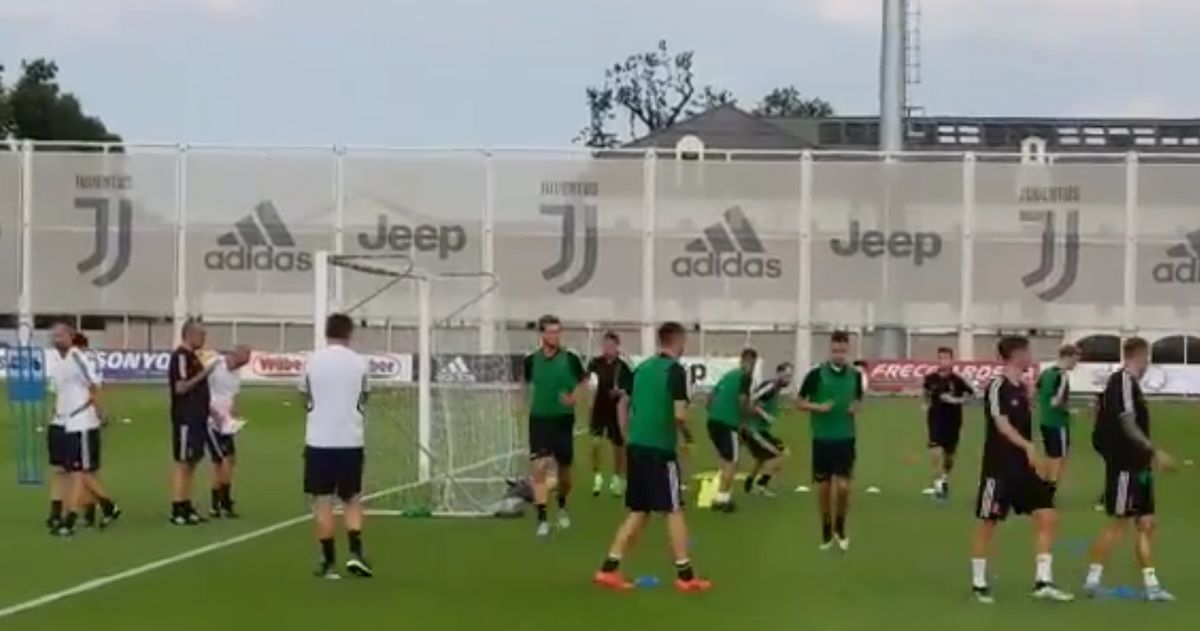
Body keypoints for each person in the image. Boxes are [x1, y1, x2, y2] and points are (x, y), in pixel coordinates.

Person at [593, 321, 711, 593]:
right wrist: (687, 434)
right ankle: (685, 575)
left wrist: (626, 432)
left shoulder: (642, 369)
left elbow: (623, 402)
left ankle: (608, 569)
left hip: (636, 446)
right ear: (678, 342)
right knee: (673, 509)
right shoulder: (675, 371)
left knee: (639, 511)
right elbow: (679, 415)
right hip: (659, 449)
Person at [969, 336, 1073, 604]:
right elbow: (1001, 424)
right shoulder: (997, 386)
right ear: (1016, 355)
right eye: (1028, 352)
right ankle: (979, 584)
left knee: (1047, 515)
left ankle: (1043, 581)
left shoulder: (1023, 388)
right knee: (988, 524)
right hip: (999, 468)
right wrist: (1026, 445)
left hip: (1024, 468)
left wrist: (1032, 453)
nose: (1031, 357)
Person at [1083, 337, 1176, 601]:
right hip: (1125, 466)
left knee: (1147, 523)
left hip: (1139, 466)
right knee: (1119, 523)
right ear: (1140, 357)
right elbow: (1127, 421)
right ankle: (1092, 580)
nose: (1147, 365)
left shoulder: (1129, 385)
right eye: (1147, 359)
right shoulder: (1122, 381)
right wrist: (1153, 450)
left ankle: (1151, 586)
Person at [300, 314, 373, 580]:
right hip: (350, 440)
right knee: (351, 499)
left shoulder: (312, 361)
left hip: (319, 440)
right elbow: (365, 395)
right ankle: (355, 552)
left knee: (322, 501)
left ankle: (328, 561)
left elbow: (304, 395)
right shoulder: (360, 363)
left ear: (327, 332)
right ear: (349, 333)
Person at [50, 321, 120, 536]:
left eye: (61, 335)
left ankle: (70, 519)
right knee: (74, 470)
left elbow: (94, 385)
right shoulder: (60, 362)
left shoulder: (77, 357)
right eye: (54, 335)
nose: (56, 339)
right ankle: (107, 507)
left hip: (82, 422)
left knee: (78, 472)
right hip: (66, 423)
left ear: (71, 337)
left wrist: (100, 412)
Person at [523, 314, 587, 536]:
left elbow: (583, 382)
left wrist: (573, 398)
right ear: (542, 334)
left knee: (564, 473)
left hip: (563, 420)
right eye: (551, 332)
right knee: (539, 468)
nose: (555, 336)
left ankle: (561, 504)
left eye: (558, 331)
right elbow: (526, 385)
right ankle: (542, 519)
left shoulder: (570, 359)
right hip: (539, 420)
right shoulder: (531, 360)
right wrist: (523, 405)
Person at [798, 332, 862, 551]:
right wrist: (818, 407)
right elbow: (799, 402)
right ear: (830, 350)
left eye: (842, 351)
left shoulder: (855, 376)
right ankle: (826, 528)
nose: (839, 355)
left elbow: (858, 400)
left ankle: (840, 527)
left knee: (843, 487)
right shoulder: (815, 375)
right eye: (835, 350)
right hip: (822, 439)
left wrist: (855, 407)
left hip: (846, 438)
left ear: (847, 350)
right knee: (824, 488)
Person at [168, 320, 217, 525]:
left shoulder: (194, 357)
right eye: (201, 335)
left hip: (198, 418)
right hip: (186, 418)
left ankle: (186, 504)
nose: (204, 339)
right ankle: (177, 507)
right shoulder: (181, 356)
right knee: (183, 462)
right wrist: (204, 373)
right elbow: (180, 387)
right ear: (189, 335)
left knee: (192, 462)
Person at [705, 348, 758, 512]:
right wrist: (743, 422)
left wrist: (714, 412)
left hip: (713, 422)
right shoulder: (745, 377)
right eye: (751, 363)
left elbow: (711, 396)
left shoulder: (729, 375)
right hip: (728, 424)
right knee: (732, 462)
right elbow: (742, 400)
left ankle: (721, 495)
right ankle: (722, 499)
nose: (751, 366)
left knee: (724, 459)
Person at [585, 331, 633, 497]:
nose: (607, 348)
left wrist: (620, 392)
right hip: (598, 409)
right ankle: (597, 476)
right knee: (595, 444)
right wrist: (589, 400)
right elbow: (588, 383)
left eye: (611, 345)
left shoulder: (623, 367)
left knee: (618, 446)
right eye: (605, 345)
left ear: (617, 346)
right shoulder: (595, 363)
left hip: (615, 410)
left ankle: (617, 479)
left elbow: (629, 390)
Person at [921, 347, 973, 500]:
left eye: (946, 358)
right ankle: (938, 484)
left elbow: (971, 396)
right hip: (935, 418)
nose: (943, 361)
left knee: (949, 455)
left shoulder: (958, 380)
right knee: (935, 449)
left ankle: (944, 478)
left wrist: (956, 400)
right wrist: (925, 404)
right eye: (940, 358)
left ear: (951, 360)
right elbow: (926, 393)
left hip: (953, 420)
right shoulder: (930, 378)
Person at [206, 345, 252, 518]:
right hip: (212, 422)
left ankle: (220, 502)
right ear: (234, 355)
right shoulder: (215, 366)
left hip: (226, 423)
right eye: (241, 361)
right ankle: (221, 502)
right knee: (223, 460)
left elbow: (233, 395)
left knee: (228, 461)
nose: (241, 366)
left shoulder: (236, 373)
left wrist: (234, 413)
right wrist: (212, 413)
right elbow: (202, 391)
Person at [741, 362, 793, 497]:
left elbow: (764, 403)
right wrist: (765, 415)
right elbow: (751, 400)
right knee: (782, 453)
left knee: (761, 457)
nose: (788, 379)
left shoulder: (776, 388)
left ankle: (748, 485)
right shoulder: (771, 386)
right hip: (753, 429)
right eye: (786, 375)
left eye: (790, 376)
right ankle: (761, 485)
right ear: (778, 373)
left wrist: (779, 409)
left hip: (758, 429)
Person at [1036, 344, 1080, 490]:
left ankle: (1043, 485)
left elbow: (1036, 391)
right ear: (1068, 357)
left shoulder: (1046, 373)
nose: (1075, 364)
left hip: (1045, 421)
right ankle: (1050, 489)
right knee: (1060, 457)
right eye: (1075, 360)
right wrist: (1069, 410)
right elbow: (1055, 402)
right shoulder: (1062, 376)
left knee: (1050, 455)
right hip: (1058, 422)